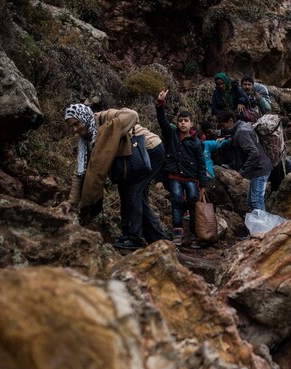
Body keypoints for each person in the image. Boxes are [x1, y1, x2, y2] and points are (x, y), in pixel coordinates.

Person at [60, 104, 168, 249]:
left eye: (76, 123)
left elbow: (132, 114)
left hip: (150, 150)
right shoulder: (85, 141)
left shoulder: (104, 117)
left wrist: (108, 132)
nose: (75, 129)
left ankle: (133, 238)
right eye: (72, 127)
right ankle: (158, 240)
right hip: (131, 160)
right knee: (134, 195)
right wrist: (71, 202)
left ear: (83, 117)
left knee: (132, 191)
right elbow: (80, 172)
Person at [156, 89, 207, 248]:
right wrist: (160, 103)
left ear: (191, 123)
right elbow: (162, 121)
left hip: (191, 177)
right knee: (176, 201)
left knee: (193, 202)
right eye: (180, 121)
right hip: (175, 176)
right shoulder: (172, 134)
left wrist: (203, 185)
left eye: (186, 120)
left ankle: (194, 235)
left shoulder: (196, 142)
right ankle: (177, 233)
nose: (183, 123)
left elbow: (201, 163)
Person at [217, 110, 273, 211]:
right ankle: (257, 224)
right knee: (251, 201)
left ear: (230, 121)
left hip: (260, 169)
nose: (222, 128)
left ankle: (264, 226)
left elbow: (254, 153)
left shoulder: (241, 132)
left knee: (256, 201)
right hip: (259, 167)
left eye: (222, 125)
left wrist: (241, 173)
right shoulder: (241, 126)